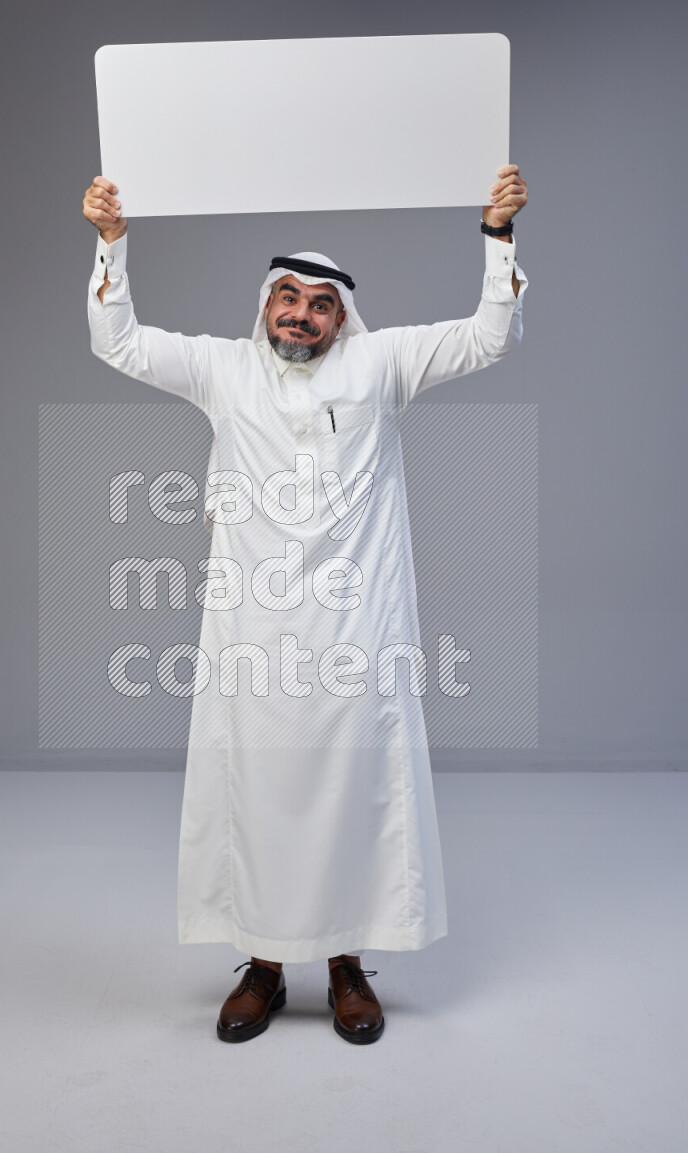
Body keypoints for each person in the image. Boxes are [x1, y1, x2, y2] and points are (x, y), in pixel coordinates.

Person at [83, 165, 529, 1045]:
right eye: (286, 297)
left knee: (357, 790)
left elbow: (488, 337)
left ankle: (347, 965)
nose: (300, 313)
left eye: (319, 303)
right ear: (264, 306)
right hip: (252, 636)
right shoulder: (223, 369)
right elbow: (121, 343)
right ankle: (263, 966)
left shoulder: (383, 364)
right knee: (256, 790)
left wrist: (497, 236)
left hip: (358, 635)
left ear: (341, 317)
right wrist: (111, 243)